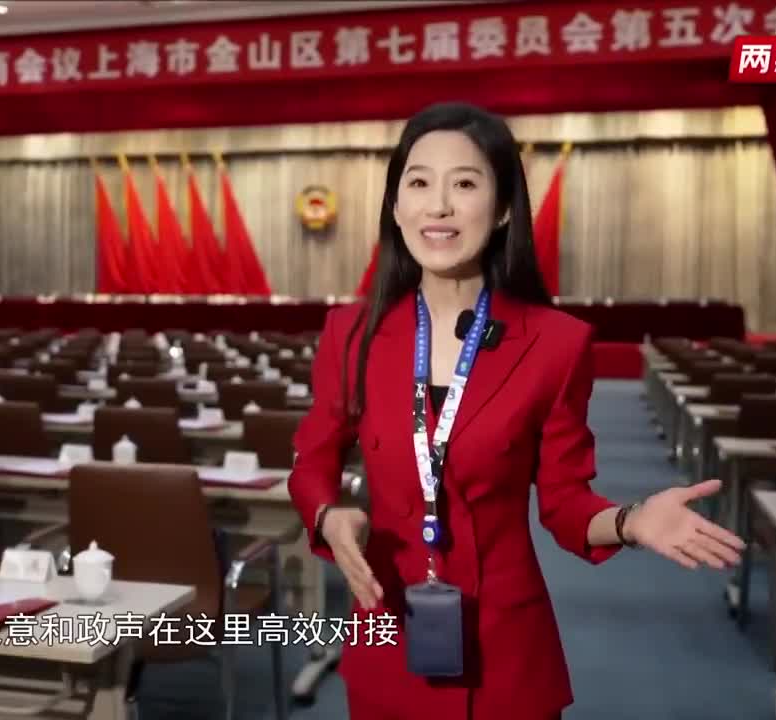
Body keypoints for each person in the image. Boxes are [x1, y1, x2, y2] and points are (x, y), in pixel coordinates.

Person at [287, 102, 745, 720]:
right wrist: (329, 516)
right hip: (388, 632)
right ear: (395, 206)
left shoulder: (555, 343)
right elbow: (310, 464)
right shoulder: (351, 333)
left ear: (503, 207)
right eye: (418, 183)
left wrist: (632, 521)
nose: (438, 206)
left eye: (464, 184)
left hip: (504, 653)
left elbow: (565, 505)